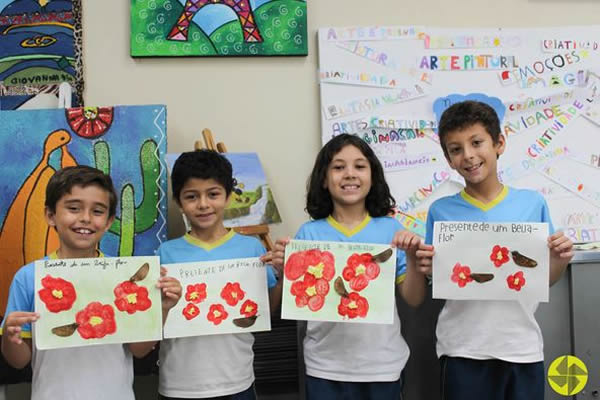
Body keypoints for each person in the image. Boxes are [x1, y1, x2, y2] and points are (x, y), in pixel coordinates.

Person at [416, 100, 574, 400]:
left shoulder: (532, 204)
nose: (469, 155)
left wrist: (559, 259)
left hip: (521, 347)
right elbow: (438, 279)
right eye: (456, 149)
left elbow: (545, 279)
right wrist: (427, 269)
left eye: (477, 142)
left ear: (499, 143)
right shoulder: (441, 211)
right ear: (448, 159)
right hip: (462, 348)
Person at [1, 165, 181, 400]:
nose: (85, 218)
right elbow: (18, 360)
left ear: (108, 222)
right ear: (50, 215)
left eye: (97, 211)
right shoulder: (29, 277)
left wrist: (162, 309)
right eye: (73, 208)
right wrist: (10, 337)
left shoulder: (124, 277)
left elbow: (140, 349)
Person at [272, 133, 425, 400]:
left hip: (383, 366)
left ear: (373, 176)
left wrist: (412, 258)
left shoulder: (391, 229)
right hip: (324, 367)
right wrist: (282, 269)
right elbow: (293, 301)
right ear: (324, 178)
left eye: (360, 166)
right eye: (338, 167)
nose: (350, 174)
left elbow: (413, 299)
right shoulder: (309, 234)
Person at [157, 150, 281, 400]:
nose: (203, 204)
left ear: (227, 197)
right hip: (178, 384)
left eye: (213, 194)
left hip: (237, 381)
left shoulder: (252, 248)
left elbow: (269, 308)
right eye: (191, 196)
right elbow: (153, 322)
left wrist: (285, 274)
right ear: (179, 202)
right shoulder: (165, 253)